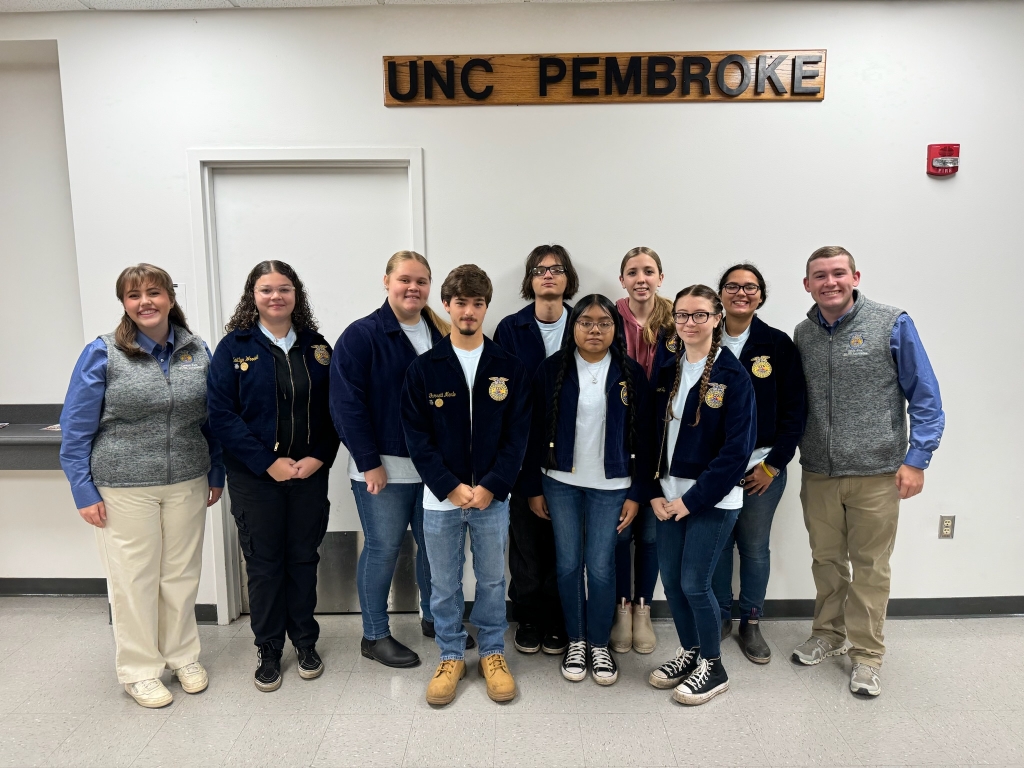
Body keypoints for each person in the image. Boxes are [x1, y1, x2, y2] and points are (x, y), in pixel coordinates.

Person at [59, 263, 224, 709]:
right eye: (134, 296)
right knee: (133, 580)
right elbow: (75, 428)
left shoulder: (197, 349)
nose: (145, 302)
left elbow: (212, 419)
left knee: (181, 575)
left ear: (171, 297)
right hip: (123, 485)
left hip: (188, 479)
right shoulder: (104, 352)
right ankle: (138, 669)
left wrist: (216, 471)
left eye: (154, 292)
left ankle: (183, 656)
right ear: (125, 305)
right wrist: (83, 489)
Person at [791, 246, 944, 697]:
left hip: (878, 473)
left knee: (871, 567)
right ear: (807, 285)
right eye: (820, 276)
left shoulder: (892, 323)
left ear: (855, 276)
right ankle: (828, 634)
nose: (830, 282)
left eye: (838, 273)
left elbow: (926, 397)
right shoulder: (803, 333)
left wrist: (917, 459)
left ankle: (867, 655)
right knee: (826, 561)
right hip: (818, 471)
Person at [330, 251, 477, 669]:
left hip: (435, 468)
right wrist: (367, 460)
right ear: (387, 282)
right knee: (383, 548)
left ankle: (436, 619)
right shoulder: (362, 336)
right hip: (383, 469)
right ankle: (374, 635)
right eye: (404, 280)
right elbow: (346, 404)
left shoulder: (441, 331)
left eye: (422, 281)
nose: (413, 288)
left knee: (436, 549)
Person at [207, 260, 340, 692]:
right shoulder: (233, 348)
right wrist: (268, 462)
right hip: (255, 478)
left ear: (296, 294)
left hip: (308, 474)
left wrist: (319, 457)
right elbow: (221, 416)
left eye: (284, 289)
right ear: (253, 296)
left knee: (303, 559)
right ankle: (268, 647)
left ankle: (304, 641)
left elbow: (336, 411)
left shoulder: (318, 348)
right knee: (264, 565)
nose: (275, 297)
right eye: (266, 290)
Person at [401, 264, 531, 706]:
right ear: (447, 305)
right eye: (461, 303)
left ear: (486, 307)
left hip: (492, 498)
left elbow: (518, 436)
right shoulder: (424, 368)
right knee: (444, 582)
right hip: (441, 499)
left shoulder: (508, 366)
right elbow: (416, 437)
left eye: (477, 304)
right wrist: (451, 487)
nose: (469, 311)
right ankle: (452, 652)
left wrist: (492, 485)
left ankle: (493, 651)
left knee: (494, 580)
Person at [525, 295, 653, 685]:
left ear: (616, 329)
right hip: (560, 482)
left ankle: (599, 644)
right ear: (573, 326)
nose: (594, 330)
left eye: (603, 323)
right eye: (586, 322)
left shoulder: (631, 372)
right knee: (567, 564)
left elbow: (648, 439)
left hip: (612, 486)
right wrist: (533, 486)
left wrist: (636, 494)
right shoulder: (551, 370)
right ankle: (576, 641)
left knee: (600, 567)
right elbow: (531, 432)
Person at [648, 285, 756, 706]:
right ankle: (690, 651)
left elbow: (735, 454)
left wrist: (691, 501)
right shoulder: (668, 371)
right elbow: (650, 437)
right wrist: (653, 491)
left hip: (710, 500)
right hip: (667, 497)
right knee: (672, 583)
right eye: (681, 315)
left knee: (696, 583)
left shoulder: (733, 377)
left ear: (716, 319)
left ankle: (714, 664)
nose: (688, 323)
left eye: (698, 315)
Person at [711, 264, 807, 663]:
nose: (741, 293)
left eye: (750, 287)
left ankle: (750, 619)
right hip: (712, 468)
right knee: (715, 545)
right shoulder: (700, 338)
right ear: (720, 294)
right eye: (732, 286)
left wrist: (773, 465)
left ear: (761, 296)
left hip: (759, 467)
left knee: (753, 546)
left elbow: (795, 411)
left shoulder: (778, 344)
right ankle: (717, 615)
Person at [493, 244, 578, 657]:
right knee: (526, 542)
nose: (548, 275)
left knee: (565, 543)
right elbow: (504, 396)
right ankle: (528, 616)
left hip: (575, 454)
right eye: (540, 270)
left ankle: (561, 618)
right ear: (529, 279)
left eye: (557, 269)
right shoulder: (511, 328)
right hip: (524, 451)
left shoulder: (586, 321)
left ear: (568, 279)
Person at [611, 246, 674, 654]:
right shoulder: (608, 318)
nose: (641, 279)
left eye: (648, 271)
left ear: (660, 278)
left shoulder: (676, 321)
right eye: (633, 272)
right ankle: (621, 608)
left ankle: (643, 609)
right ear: (622, 280)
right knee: (618, 533)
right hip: (616, 441)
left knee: (650, 536)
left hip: (663, 445)